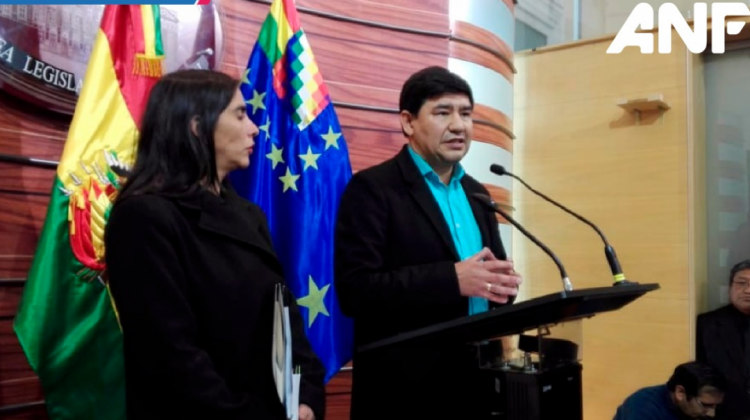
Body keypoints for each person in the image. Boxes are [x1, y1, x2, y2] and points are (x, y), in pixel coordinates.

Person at [104, 70, 325, 420]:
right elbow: (170, 356)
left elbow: (285, 317)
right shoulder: (144, 217)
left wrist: (307, 397)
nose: (254, 127)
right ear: (196, 126)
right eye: (240, 114)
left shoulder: (247, 213)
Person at [334, 66, 522, 419]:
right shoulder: (374, 189)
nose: (459, 125)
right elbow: (355, 290)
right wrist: (453, 280)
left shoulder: (477, 193)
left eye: (466, 113)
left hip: (478, 384)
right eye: (443, 112)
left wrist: (504, 285)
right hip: (406, 392)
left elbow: (490, 282)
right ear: (408, 122)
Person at [697, 259, 750, 420]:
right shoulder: (706, 324)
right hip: (723, 413)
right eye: (741, 283)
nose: (748, 290)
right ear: (730, 288)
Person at [613, 361, 726, 420]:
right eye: (705, 405)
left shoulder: (693, 411)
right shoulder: (643, 407)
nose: (711, 414)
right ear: (680, 393)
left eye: (716, 406)